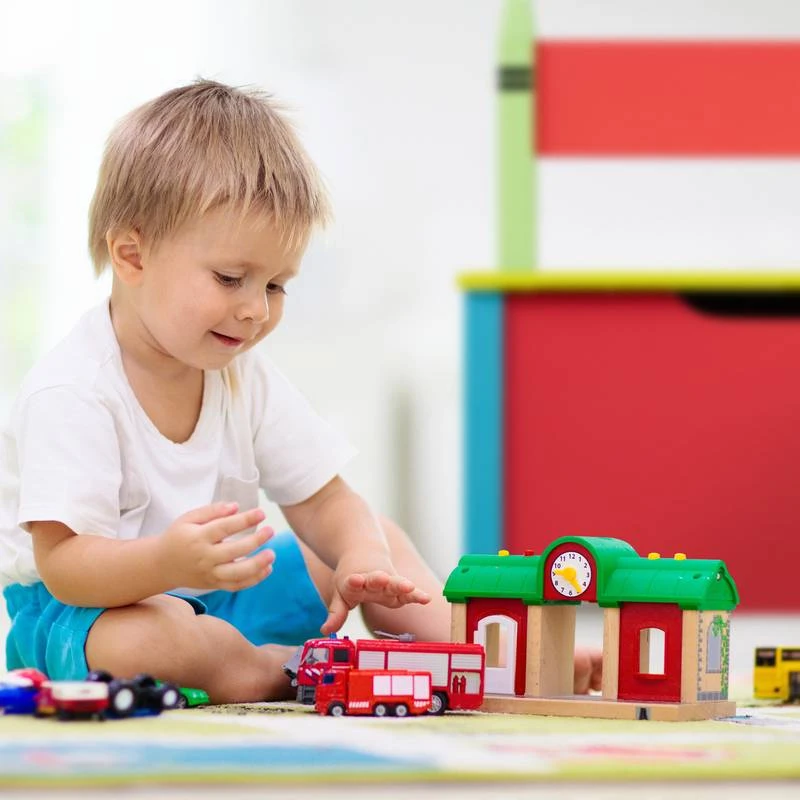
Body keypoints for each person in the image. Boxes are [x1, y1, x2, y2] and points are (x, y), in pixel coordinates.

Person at [0, 80, 602, 703]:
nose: (256, 310)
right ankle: (280, 674)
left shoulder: (240, 373)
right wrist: (166, 566)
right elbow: (65, 566)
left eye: (277, 286)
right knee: (151, 639)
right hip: (90, 613)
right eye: (232, 278)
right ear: (132, 256)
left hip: (220, 593)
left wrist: (361, 557)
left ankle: (486, 660)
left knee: (379, 537)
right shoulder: (73, 392)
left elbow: (323, 499)